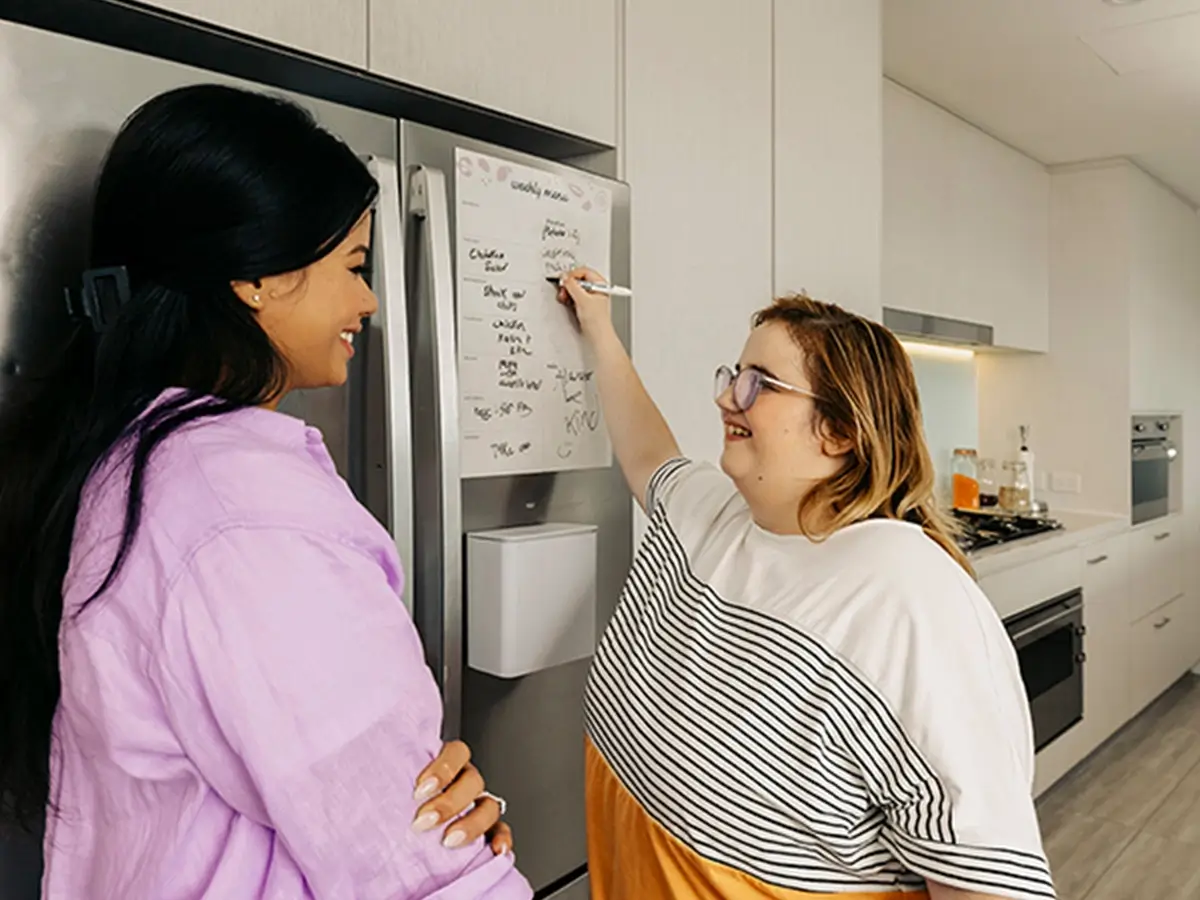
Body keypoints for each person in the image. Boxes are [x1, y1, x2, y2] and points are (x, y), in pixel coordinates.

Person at [0, 85, 529, 899]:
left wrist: (411, 793)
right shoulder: (245, 514)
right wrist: (447, 835)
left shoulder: (143, 459)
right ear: (256, 275)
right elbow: (413, 871)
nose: (369, 301)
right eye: (354, 266)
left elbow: (369, 797)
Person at [556, 268, 1056, 900]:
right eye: (733, 375)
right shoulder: (712, 513)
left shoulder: (912, 600)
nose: (726, 398)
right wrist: (598, 328)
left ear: (842, 431)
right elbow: (648, 454)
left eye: (757, 384)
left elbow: (985, 885)